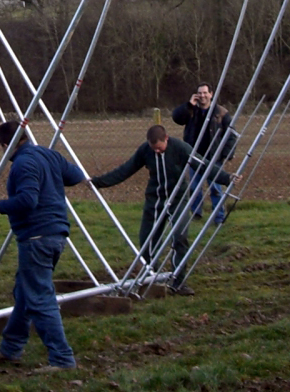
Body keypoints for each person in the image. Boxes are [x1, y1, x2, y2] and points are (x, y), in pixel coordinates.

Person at [0, 119, 88, 369]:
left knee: (39, 298)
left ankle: (62, 358)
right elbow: (76, 175)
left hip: (37, 237)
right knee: (25, 293)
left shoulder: (23, 163)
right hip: (56, 235)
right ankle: (11, 348)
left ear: (6, 145)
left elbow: (28, 200)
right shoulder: (49, 155)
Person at [90, 123, 228, 294]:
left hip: (177, 199)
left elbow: (203, 164)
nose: (156, 151)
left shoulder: (180, 148)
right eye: (153, 148)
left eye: (159, 148)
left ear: (166, 139)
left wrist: (226, 178)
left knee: (180, 237)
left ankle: (178, 281)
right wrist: (98, 183)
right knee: (147, 240)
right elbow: (126, 169)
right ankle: (151, 278)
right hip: (155, 200)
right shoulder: (145, 151)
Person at [172, 84, 238, 223]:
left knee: (215, 189)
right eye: (199, 93)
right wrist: (189, 104)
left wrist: (226, 154)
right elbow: (177, 118)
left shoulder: (221, 112)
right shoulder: (191, 111)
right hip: (194, 157)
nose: (202, 96)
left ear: (211, 94)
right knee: (195, 188)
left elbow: (231, 135)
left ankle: (219, 217)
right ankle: (196, 215)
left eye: (205, 93)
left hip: (214, 158)